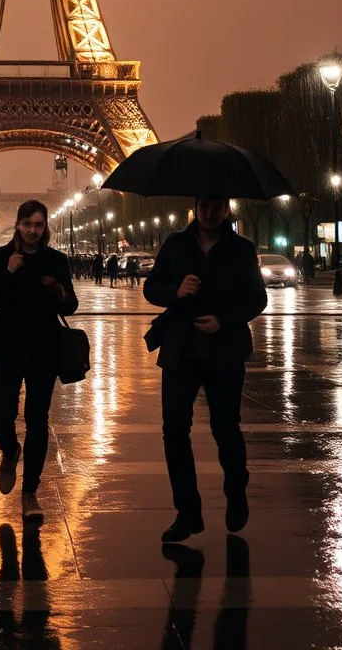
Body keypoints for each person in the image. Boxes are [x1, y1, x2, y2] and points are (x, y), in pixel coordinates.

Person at [143, 197, 268, 542]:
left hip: (224, 348)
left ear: (227, 209)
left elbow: (258, 298)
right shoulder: (175, 244)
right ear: (195, 208)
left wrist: (223, 321)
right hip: (181, 350)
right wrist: (176, 290)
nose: (210, 213)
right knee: (174, 431)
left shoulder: (242, 248)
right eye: (204, 206)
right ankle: (187, 512)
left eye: (217, 207)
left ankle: (236, 490)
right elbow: (150, 288)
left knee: (226, 428)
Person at [0, 199, 78, 524]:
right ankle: (9, 449)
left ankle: (29, 493)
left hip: (43, 349)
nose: (33, 230)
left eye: (38, 225)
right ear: (18, 225)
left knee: (38, 420)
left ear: (45, 226)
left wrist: (59, 292)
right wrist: (8, 273)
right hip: (5, 348)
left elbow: (71, 305)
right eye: (28, 224)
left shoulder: (56, 260)